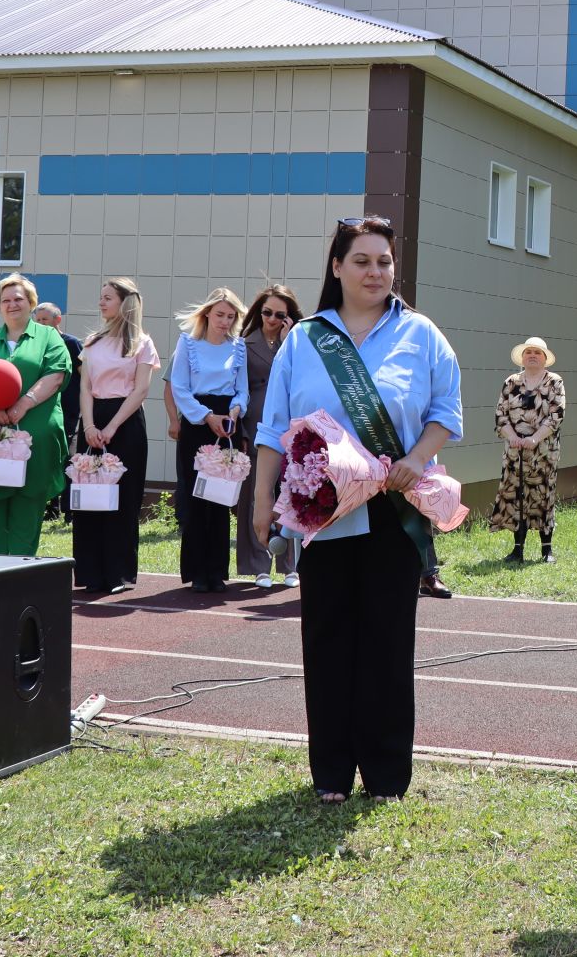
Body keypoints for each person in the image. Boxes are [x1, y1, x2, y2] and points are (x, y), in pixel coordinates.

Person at [252, 216, 464, 802]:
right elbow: (274, 428)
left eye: (385, 261)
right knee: (327, 639)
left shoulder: (421, 334)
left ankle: (387, 774)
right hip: (322, 515)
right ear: (337, 268)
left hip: (395, 512)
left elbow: (447, 408)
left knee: (388, 643)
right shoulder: (304, 338)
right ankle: (332, 774)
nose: (376, 271)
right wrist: (261, 500)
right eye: (363, 260)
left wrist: (418, 459)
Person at [0, 274, 71, 556]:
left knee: (28, 500)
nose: (12, 305)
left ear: (31, 303)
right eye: (5, 300)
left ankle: (19, 570)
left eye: (18, 299)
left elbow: (56, 375)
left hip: (35, 436)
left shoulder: (48, 336)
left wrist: (23, 404)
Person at [74, 278, 159, 595]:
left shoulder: (142, 343)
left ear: (125, 302)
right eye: (101, 297)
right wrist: (90, 427)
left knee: (124, 499)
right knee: (91, 498)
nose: (101, 302)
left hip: (126, 426)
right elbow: (84, 387)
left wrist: (111, 427)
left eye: (107, 297)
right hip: (93, 423)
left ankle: (119, 573)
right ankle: (91, 572)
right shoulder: (92, 342)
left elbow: (141, 389)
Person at [169, 287, 249, 593]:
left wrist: (235, 410)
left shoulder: (237, 347)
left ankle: (217, 571)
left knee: (220, 497)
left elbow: (242, 389)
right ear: (206, 314)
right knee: (195, 496)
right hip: (198, 423)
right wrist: (206, 417)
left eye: (230, 316)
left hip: (228, 421)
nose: (225, 321)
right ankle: (197, 571)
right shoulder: (188, 343)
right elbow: (179, 387)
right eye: (220, 315)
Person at [236, 284, 302, 589]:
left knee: (290, 493)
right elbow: (238, 390)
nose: (272, 319)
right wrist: (244, 431)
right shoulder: (245, 344)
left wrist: (289, 342)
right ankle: (258, 564)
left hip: (291, 427)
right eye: (266, 312)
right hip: (255, 426)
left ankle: (290, 564)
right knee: (256, 497)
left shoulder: (297, 344)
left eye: (280, 314)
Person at [490, 336, 566, 564]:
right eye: (528, 352)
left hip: (544, 452)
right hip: (515, 452)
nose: (532, 355)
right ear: (522, 358)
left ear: (545, 358)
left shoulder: (554, 382)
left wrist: (534, 439)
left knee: (543, 496)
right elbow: (500, 414)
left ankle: (546, 551)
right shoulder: (511, 382)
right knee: (516, 497)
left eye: (537, 352)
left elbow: (556, 415)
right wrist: (514, 438)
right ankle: (517, 550)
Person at [32, 301, 82, 519]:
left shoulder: (71, 343)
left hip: (69, 409)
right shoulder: (35, 344)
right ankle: (49, 508)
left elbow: (85, 373)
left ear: (57, 320)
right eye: (38, 320)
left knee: (68, 458)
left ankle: (69, 509)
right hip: (44, 408)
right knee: (47, 456)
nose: (41, 324)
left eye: (45, 319)